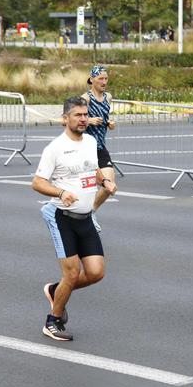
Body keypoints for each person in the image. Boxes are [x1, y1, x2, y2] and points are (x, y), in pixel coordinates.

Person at [32, 96, 117, 341]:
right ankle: (52, 320)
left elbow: (93, 169)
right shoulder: (55, 148)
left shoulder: (90, 141)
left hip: (86, 217)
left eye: (85, 115)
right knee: (71, 273)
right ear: (65, 118)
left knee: (96, 273)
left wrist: (105, 181)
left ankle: (55, 290)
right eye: (78, 115)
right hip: (62, 218)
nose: (83, 119)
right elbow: (37, 183)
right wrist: (61, 192)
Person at [81, 65, 116, 232]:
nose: (104, 82)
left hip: (100, 147)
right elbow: (66, 121)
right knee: (81, 188)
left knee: (109, 186)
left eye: (106, 78)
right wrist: (88, 121)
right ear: (92, 79)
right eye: (101, 78)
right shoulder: (85, 99)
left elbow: (105, 117)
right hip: (84, 149)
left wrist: (109, 123)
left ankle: (91, 212)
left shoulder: (108, 97)